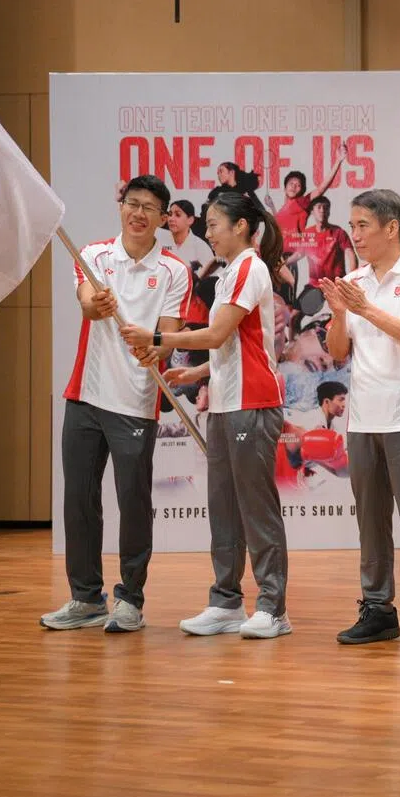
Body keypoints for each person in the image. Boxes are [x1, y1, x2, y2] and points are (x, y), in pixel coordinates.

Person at [122, 191, 291, 640]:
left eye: (213, 225)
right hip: (224, 402)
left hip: (253, 404)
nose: (207, 233)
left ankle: (273, 607)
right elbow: (234, 344)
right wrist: (194, 371)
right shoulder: (230, 271)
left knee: (256, 510)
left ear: (239, 227)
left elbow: (217, 334)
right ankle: (226, 602)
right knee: (223, 507)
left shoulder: (250, 268)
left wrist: (158, 340)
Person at [40, 174, 192, 633]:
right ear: (121, 206)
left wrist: (157, 346)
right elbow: (87, 302)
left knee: (133, 501)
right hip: (84, 396)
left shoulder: (174, 271)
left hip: (135, 400)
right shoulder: (93, 256)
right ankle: (86, 598)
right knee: (80, 501)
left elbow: (167, 335)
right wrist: (97, 303)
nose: (138, 213)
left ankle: (131, 599)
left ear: (164, 218)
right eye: (132, 203)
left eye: (149, 207)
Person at [322, 188, 400, 649]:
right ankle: (378, 609)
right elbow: (338, 352)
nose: (354, 235)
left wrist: (365, 309)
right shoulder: (354, 281)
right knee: (370, 520)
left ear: (391, 227)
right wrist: (339, 315)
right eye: (351, 226)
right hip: (363, 418)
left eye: (362, 226)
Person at [274, 142, 348, 243]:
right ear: (285, 187)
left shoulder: (301, 203)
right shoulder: (283, 210)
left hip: (287, 255)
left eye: (298, 185)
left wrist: (338, 161)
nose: (294, 186)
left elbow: (321, 189)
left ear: (302, 191)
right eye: (291, 183)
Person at [287, 197, 356, 290]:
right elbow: (298, 254)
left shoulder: (339, 232)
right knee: (300, 304)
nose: (322, 210)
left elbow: (351, 254)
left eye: (325, 207)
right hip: (315, 285)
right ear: (312, 211)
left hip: (336, 285)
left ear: (329, 211)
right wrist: (281, 264)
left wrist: (351, 278)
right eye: (319, 207)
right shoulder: (307, 234)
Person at [160, 199, 215, 274]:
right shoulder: (158, 239)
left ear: (190, 220)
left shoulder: (202, 247)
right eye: (170, 214)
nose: (171, 219)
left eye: (178, 215)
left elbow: (210, 279)